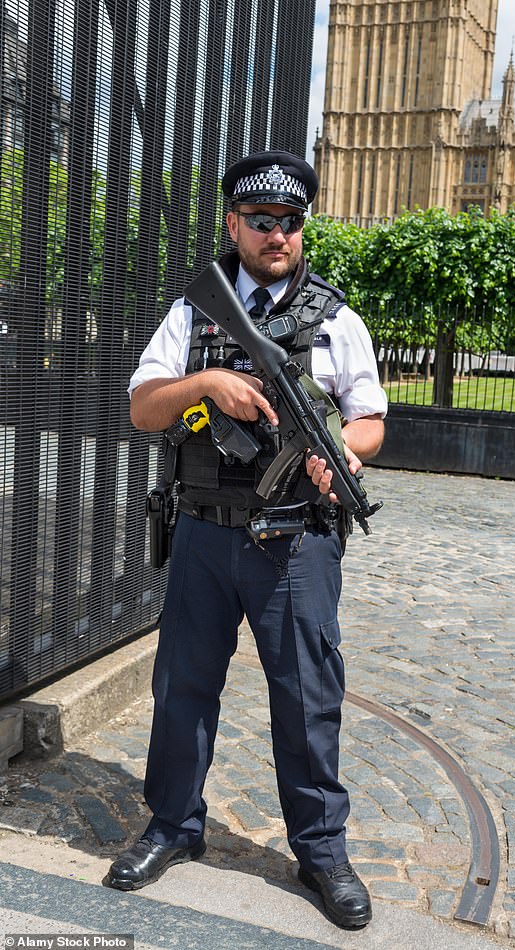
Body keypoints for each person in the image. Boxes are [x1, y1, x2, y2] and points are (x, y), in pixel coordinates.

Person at [105, 150, 387, 929]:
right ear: (233, 224)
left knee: (306, 699)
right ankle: (172, 825)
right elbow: (143, 408)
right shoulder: (192, 313)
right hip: (202, 534)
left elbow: (370, 415)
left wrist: (349, 453)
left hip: (297, 545)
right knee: (183, 690)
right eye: (261, 221)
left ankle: (321, 851)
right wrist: (206, 385)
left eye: (291, 222)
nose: (278, 235)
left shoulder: (337, 319)